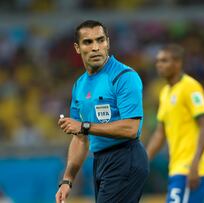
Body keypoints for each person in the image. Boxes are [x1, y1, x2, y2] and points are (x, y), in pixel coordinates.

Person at [55, 20, 149, 203]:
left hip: (125, 157)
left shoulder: (124, 77)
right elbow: (79, 137)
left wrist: (84, 126)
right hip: (101, 162)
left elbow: (131, 128)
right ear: (77, 48)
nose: (96, 47)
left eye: (100, 40)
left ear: (108, 42)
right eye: (88, 42)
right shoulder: (79, 85)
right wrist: (67, 180)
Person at [146, 44, 204, 203]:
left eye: (164, 61)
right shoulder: (165, 93)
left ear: (177, 63)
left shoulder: (190, 87)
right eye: (157, 61)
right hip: (176, 167)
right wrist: (144, 160)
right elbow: (160, 133)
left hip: (193, 168)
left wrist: (195, 163)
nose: (159, 65)